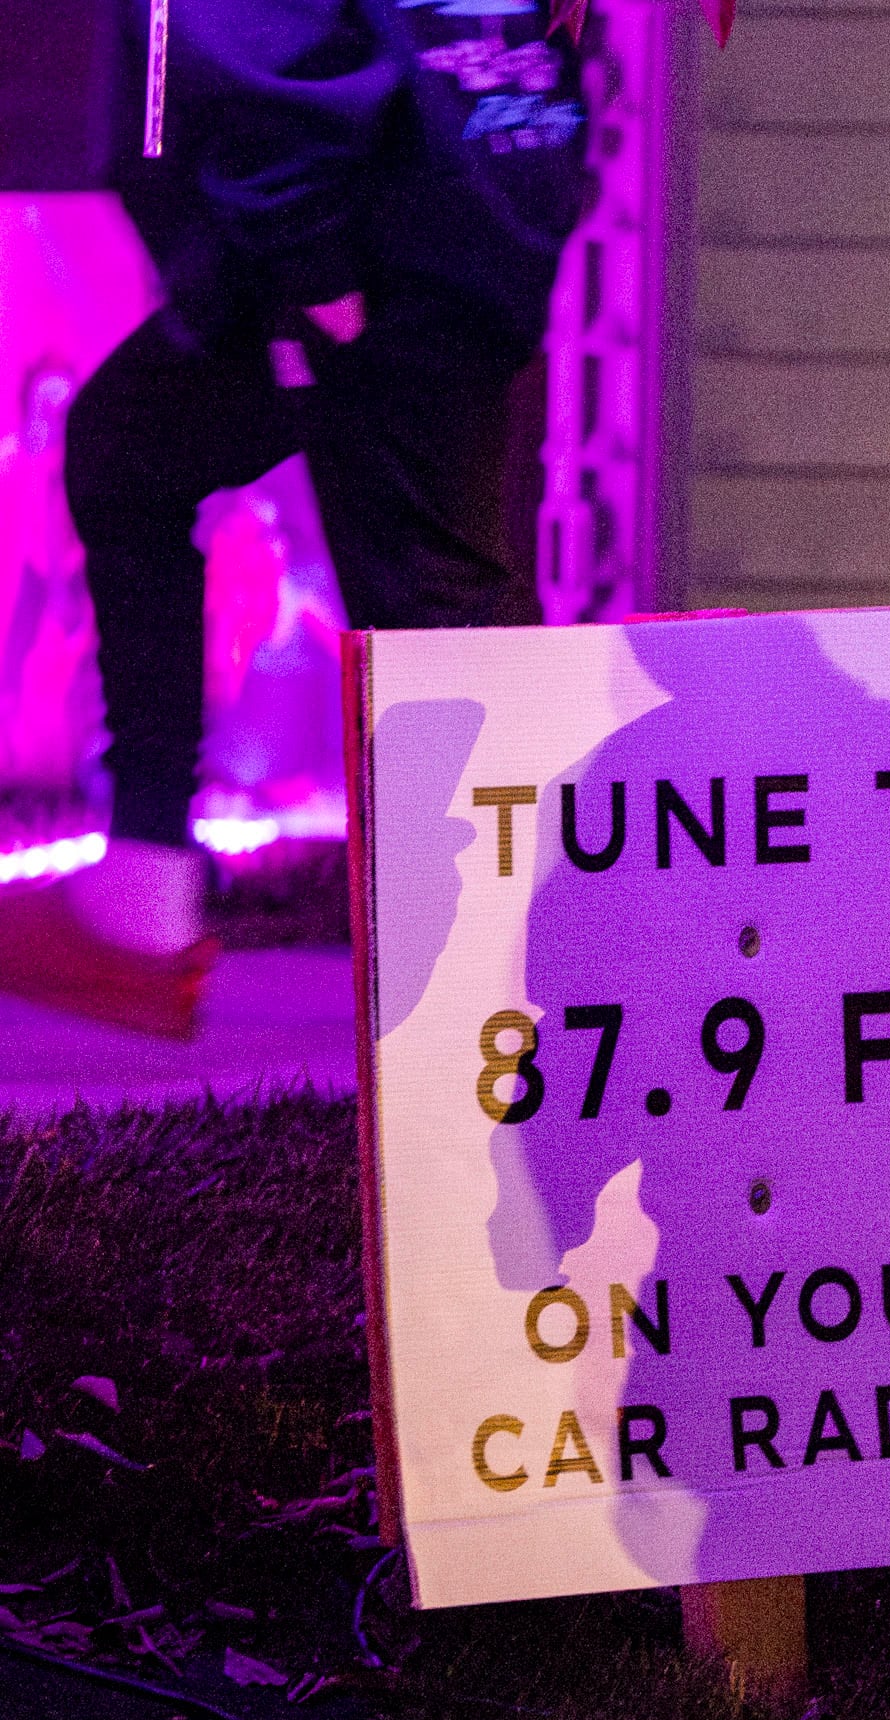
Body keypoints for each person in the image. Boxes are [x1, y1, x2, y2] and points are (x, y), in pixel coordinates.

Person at [0, 0, 586, 1038]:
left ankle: (511, 1004)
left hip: (372, 223)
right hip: (468, 173)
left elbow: (255, 39)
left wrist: (309, 254)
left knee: (436, 617)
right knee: (131, 451)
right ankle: (148, 893)